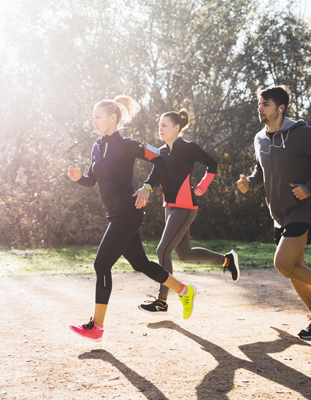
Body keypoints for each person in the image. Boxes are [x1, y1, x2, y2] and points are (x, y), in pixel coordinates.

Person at [67, 96, 197, 342]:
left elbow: (161, 159)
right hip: (116, 214)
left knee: (101, 264)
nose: (93, 122)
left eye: (97, 117)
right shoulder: (96, 147)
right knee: (140, 263)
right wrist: (78, 178)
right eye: (93, 117)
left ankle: (97, 326)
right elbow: (91, 180)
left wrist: (148, 186)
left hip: (128, 211)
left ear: (112, 119)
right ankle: (183, 290)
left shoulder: (127, 145)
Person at [236, 85, 311, 339]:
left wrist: (310, 187)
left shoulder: (301, 134)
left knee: (283, 264)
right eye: (259, 104)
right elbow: (261, 171)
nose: (260, 109)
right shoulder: (260, 138)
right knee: (294, 268)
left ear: (280, 108)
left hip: (302, 210)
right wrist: (249, 183)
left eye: (266, 104)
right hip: (278, 214)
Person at [138, 109, 239, 314]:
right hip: (170, 206)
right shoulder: (161, 152)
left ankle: (162, 301)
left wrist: (203, 185)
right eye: (159, 125)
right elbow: (157, 180)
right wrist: (145, 186)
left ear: (177, 128)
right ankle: (226, 259)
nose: (161, 128)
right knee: (184, 254)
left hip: (185, 206)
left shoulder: (189, 148)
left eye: (165, 125)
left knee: (162, 250)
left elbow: (212, 164)